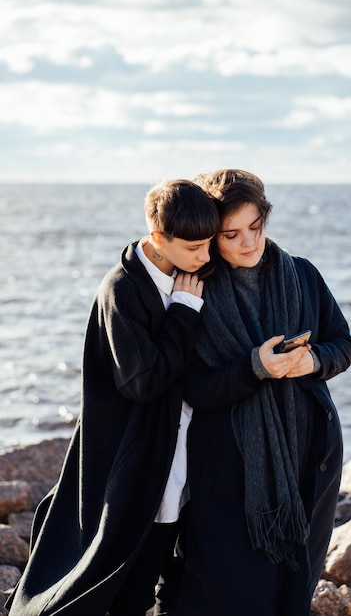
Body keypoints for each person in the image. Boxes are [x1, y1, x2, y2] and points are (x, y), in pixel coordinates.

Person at [5, 179, 220, 616]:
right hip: (133, 456)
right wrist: (182, 311)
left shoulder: (189, 273)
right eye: (195, 247)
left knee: (162, 568)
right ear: (159, 239)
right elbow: (142, 381)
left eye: (210, 244)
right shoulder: (122, 290)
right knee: (115, 575)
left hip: (178, 449)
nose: (206, 257)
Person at [170, 169, 351, 616]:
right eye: (231, 234)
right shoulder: (195, 290)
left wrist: (312, 362)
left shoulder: (303, 274)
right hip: (229, 469)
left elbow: (342, 344)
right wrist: (256, 368)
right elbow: (191, 387)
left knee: (295, 591)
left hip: (309, 457)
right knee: (231, 593)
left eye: (255, 227)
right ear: (211, 236)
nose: (248, 243)